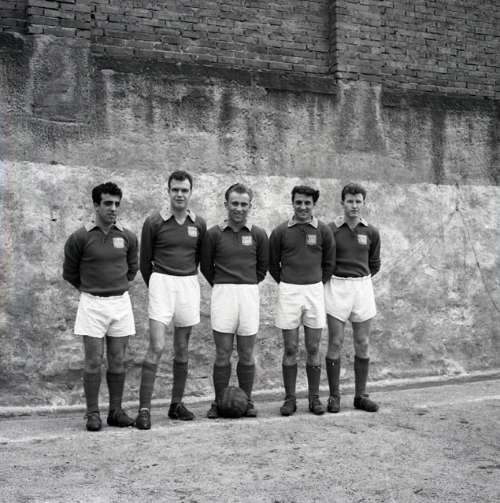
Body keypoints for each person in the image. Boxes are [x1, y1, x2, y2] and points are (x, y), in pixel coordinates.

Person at [63, 182, 138, 432]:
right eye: (107, 203)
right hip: (92, 304)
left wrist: (114, 287)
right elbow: (70, 272)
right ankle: (92, 413)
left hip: (120, 303)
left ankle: (115, 411)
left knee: (118, 360)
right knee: (93, 361)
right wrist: (92, 289)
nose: (113, 208)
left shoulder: (127, 236)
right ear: (96, 205)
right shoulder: (80, 237)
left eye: (117, 204)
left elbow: (132, 269)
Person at [135, 170, 207, 430]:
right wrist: (158, 285)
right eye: (175, 189)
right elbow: (145, 263)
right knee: (156, 346)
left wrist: (183, 278)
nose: (179, 194)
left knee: (182, 347)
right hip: (161, 283)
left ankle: (176, 404)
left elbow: (198, 259)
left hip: (187, 284)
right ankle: (144, 409)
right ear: (168, 191)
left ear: (190, 193)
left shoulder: (198, 224)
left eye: (184, 190)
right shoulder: (154, 222)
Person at [200, 183, 269, 419]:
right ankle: (219, 402)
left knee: (247, 353)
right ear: (226, 204)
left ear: (250, 206)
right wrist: (223, 284)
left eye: (243, 204)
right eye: (234, 203)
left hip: (248, 293)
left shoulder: (258, 234)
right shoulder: (214, 234)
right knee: (223, 353)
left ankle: (246, 401)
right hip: (223, 293)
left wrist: (245, 284)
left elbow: (262, 269)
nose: (239, 208)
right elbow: (206, 267)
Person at [269, 186, 335, 416]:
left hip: (314, 291)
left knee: (313, 347)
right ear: (292, 202)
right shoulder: (280, 231)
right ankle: (290, 399)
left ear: (313, 204)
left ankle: (314, 398)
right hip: (289, 291)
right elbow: (272, 264)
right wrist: (288, 281)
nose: (303, 207)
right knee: (290, 348)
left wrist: (315, 282)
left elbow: (329, 263)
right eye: (298, 202)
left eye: (307, 203)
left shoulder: (323, 231)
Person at [324, 183, 381, 413]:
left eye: (358, 201)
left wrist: (359, 279)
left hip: (362, 286)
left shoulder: (371, 232)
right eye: (350, 201)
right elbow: (325, 260)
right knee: (335, 342)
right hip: (337, 286)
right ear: (342, 203)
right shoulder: (331, 230)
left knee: (363, 342)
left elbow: (374, 264)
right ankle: (334, 396)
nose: (354, 205)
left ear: (363, 203)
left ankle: (361, 395)